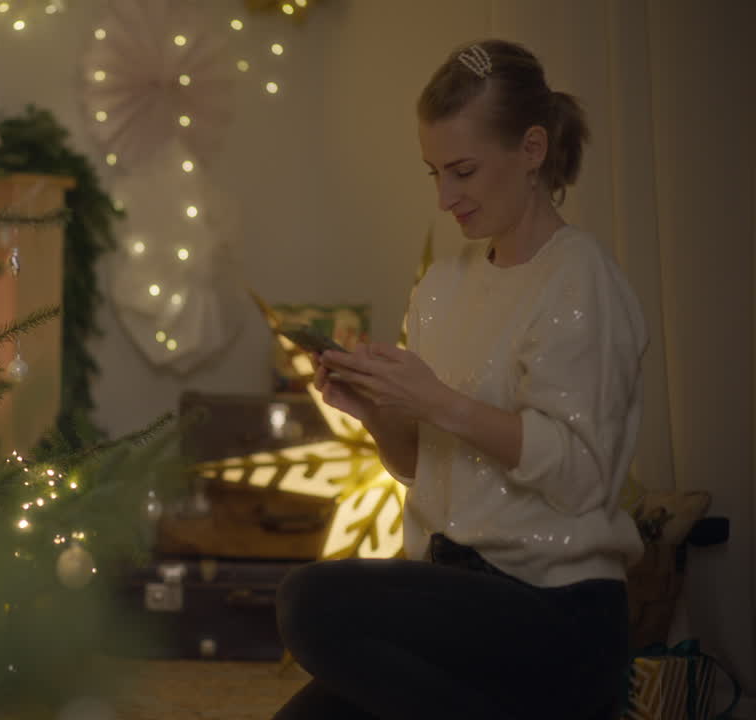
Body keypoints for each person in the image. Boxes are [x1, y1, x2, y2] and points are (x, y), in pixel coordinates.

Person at [273, 39, 647, 720]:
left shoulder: (578, 280)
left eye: (464, 172)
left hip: (554, 611)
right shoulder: (441, 289)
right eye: (434, 173)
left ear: (532, 150)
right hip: (454, 593)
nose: (446, 198)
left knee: (310, 603)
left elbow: (580, 480)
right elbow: (427, 467)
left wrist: (439, 401)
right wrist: (381, 413)